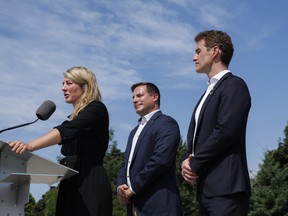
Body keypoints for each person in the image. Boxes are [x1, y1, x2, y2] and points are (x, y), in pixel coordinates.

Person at [9, 66, 112, 216]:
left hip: (90, 181)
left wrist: (29, 145)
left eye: (69, 83)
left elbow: (65, 131)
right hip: (70, 181)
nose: (63, 88)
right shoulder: (72, 118)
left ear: (85, 86)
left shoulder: (96, 109)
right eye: (62, 84)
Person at [181, 30, 251, 215]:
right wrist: (186, 161)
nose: (193, 57)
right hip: (206, 189)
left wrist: (194, 164)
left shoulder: (235, 85)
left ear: (215, 51)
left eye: (198, 51)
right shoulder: (207, 93)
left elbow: (225, 131)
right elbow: (198, 136)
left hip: (226, 190)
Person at [116, 82, 183, 216]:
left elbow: (160, 160)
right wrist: (120, 185)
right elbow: (126, 163)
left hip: (159, 205)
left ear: (155, 97)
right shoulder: (134, 131)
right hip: (134, 206)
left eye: (139, 95)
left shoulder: (166, 123)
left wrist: (134, 187)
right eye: (133, 97)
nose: (135, 100)